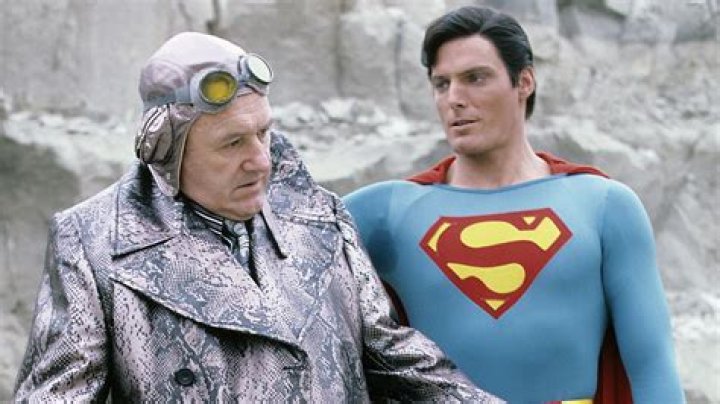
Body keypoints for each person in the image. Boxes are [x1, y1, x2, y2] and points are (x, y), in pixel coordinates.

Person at [13, 32, 503, 403]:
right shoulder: (95, 242)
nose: (261, 161)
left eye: (263, 133)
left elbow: (399, 362)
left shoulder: (321, 217)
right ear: (166, 152)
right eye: (232, 143)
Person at [344, 5, 685, 403]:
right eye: (441, 83)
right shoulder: (384, 213)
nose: (455, 98)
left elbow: (652, 368)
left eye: (475, 78)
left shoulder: (604, 206)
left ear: (524, 82)